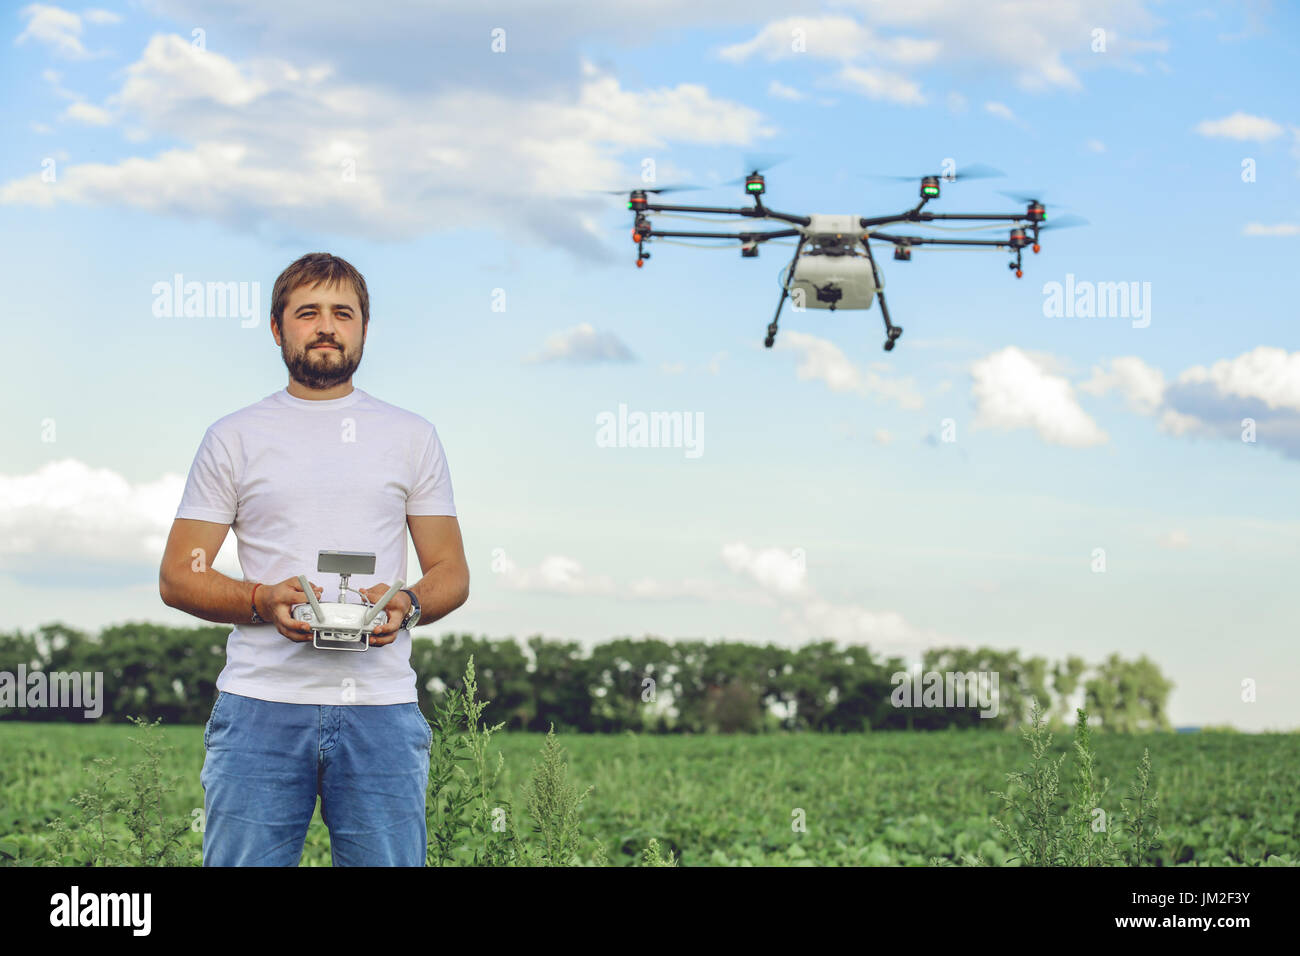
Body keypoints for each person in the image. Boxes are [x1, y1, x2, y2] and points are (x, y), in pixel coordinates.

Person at [158, 252, 469, 866]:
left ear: (364, 329)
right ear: (278, 329)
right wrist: (259, 600)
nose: (326, 326)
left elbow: (451, 574)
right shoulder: (234, 436)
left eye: (342, 313)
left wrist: (403, 605)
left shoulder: (412, 436)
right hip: (258, 707)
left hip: (380, 711)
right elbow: (177, 575)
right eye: (308, 312)